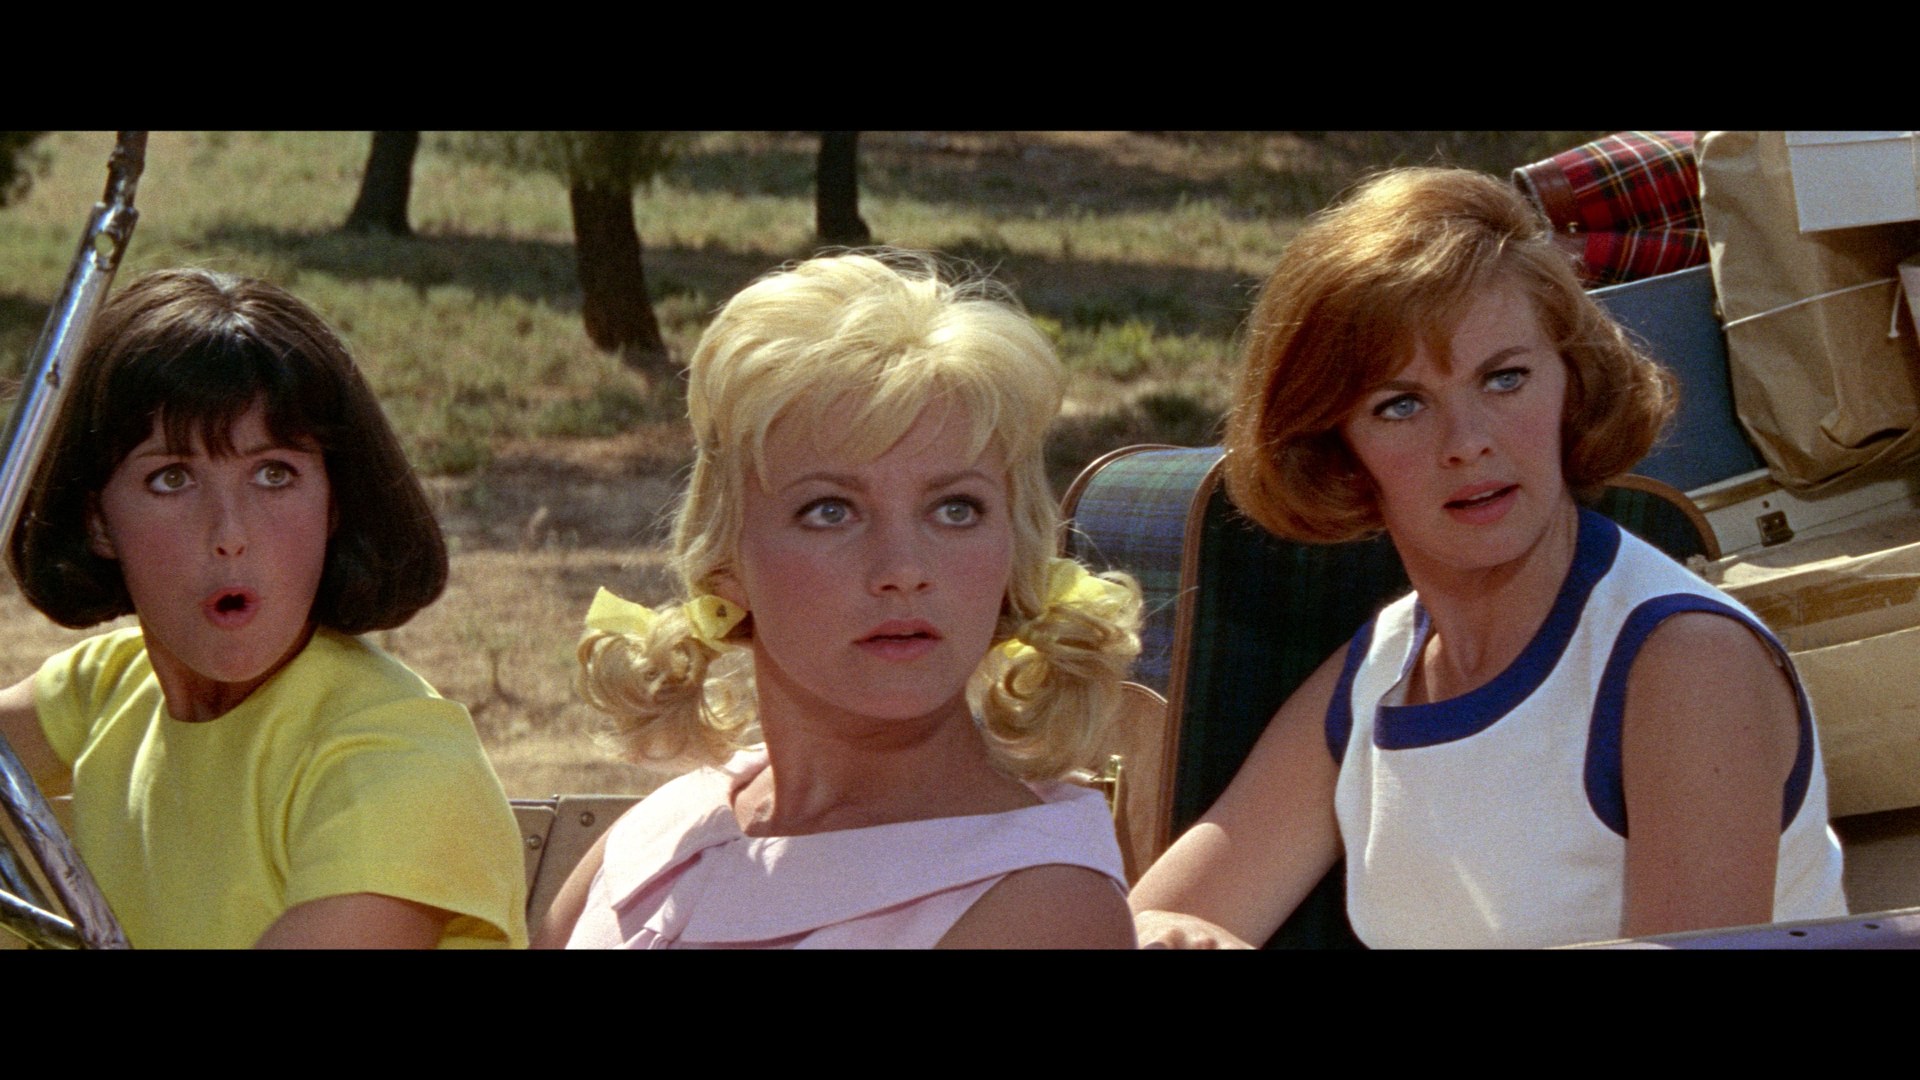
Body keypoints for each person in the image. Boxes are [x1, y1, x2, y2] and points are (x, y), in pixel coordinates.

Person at [1130, 168, 1847, 949]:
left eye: (1505, 379)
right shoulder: (1380, 670)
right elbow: (1152, 922)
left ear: (1573, 385)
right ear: (1335, 451)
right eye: (1401, 405)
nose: (1468, 442)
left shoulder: (1684, 659)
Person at [537, 250, 1141, 949]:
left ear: (1017, 550)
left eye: (956, 509)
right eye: (830, 511)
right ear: (726, 560)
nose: (903, 570)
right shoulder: (656, 841)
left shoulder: (1041, 905)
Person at [0, 268, 528, 949]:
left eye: (275, 474)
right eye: (171, 479)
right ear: (96, 520)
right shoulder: (106, 687)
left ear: (334, 502)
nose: (230, 533)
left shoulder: (395, 756)